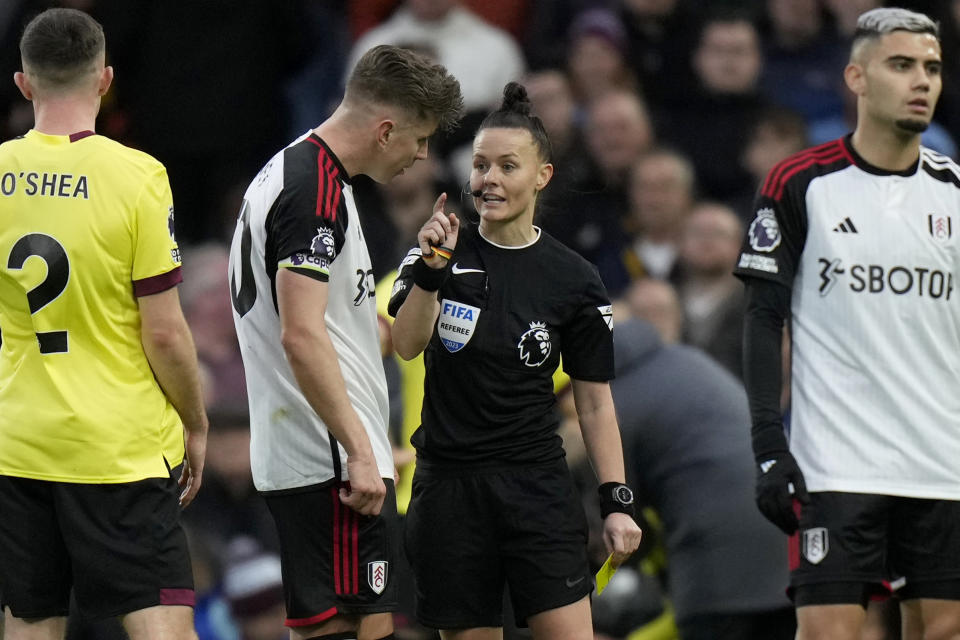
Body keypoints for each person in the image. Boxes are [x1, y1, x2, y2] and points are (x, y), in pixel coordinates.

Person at [734, 8, 960, 639]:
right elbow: (761, 319)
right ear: (856, 78)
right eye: (902, 64)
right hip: (835, 462)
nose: (922, 80)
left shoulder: (956, 194)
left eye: (933, 68)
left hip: (942, 461)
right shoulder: (801, 183)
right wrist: (767, 446)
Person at [388, 82, 643, 639]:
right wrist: (431, 270)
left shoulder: (574, 278)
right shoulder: (436, 251)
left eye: (508, 166)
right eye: (480, 165)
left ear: (541, 177)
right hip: (450, 491)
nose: (490, 179)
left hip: (536, 489)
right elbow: (406, 343)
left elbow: (595, 402)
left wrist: (616, 502)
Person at [228, 44, 463, 640]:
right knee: (344, 626)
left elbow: (356, 336)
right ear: (386, 130)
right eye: (420, 138)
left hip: (322, 453)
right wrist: (359, 448)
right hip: (328, 457)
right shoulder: (315, 192)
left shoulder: (305, 175)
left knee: (356, 624)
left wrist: (424, 273)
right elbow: (301, 335)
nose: (423, 155)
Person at [0, 8, 209, 639]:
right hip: (118, 447)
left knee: (30, 622)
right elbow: (166, 332)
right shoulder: (137, 176)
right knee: (161, 622)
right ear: (106, 79)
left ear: (24, 84)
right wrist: (195, 421)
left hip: (20, 441)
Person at [611, 317, 794, 640]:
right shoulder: (685, 360)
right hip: (782, 555)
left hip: (715, 577)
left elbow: (619, 523)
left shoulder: (610, 402)